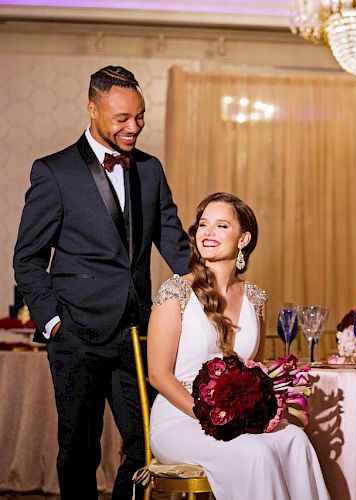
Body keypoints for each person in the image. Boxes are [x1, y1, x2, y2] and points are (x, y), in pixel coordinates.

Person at [13, 65, 191, 500]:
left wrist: (218, 285)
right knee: (78, 449)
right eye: (122, 119)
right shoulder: (54, 172)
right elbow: (28, 259)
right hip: (76, 333)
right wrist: (53, 322)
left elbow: (176, 245)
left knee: (146, 444)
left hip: (136, 332)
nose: (135, 127)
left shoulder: (150, 170)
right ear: (92, 110)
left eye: (140, 116)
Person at [147, 192, 331, 500]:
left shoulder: (255, 298)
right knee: (255, 454)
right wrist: (213, 416)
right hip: (180, 418)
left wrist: (257, 413)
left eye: (221, 226)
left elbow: (253, 372)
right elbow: (158, 375)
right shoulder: (176, 292)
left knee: (295, 441)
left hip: (235, 416)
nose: (208, 233)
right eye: (203, 224)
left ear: (243, 239)